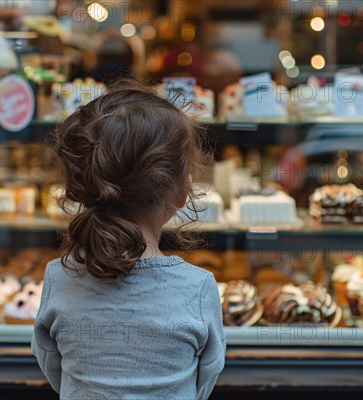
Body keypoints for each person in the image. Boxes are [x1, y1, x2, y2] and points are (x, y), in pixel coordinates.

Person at [32, 80, 226, 399]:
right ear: (181, 191)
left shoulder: (58, 278)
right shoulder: (198, 288)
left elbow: (54, 369)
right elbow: (204, 382)